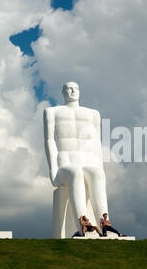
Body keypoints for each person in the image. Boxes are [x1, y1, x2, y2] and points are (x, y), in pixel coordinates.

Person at [44, 82, 109, 225]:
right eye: (69, 88)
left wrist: (101, 168)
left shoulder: (93, 114)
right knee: (75, 173)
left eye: (76, 88)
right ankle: (83, 222)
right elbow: (49, 140)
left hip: (87, 162)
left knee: (97, 175)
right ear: (63, 92)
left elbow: (96, 143)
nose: (73, 91)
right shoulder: (52, 112)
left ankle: (104, 222)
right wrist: (53, 169)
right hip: (65, 164)